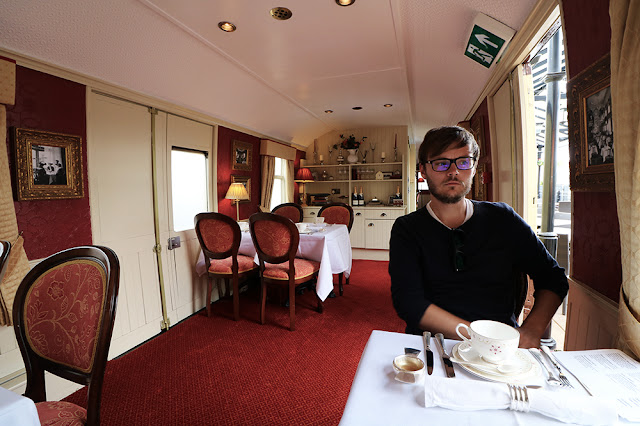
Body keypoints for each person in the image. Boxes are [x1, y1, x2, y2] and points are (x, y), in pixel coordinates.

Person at [389, 126, 568, 348]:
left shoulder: (503, 219)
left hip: (500, 348)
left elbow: (553, 277)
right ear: (423, 171)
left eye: (463, 162)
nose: (453, 171)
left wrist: (531, 330)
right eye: (441, 163)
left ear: (474, 168)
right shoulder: (407, 229)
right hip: (434, 345)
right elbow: (409, 302)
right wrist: (480, 338)